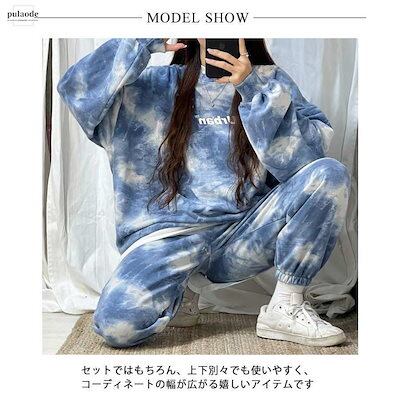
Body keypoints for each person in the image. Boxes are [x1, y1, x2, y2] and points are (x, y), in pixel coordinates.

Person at [57, 38, 350, 348]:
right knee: (116, 326)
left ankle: (286, 306)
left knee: (329, 174)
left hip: (242, 235)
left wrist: (251, 88)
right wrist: (142, 41)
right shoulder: (152, 84)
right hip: (167, 239)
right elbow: (77, 90)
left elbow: (307, 159)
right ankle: (180, 289)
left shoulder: (269, 81)